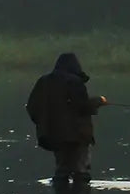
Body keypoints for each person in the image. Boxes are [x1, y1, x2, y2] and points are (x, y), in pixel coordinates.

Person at [26, 52, 109, 183]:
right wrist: (99, 101)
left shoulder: (43, 81)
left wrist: (42, 124)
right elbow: (82, 106)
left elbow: (32, 107)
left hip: (54, 135)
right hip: (78, 135)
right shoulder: (74, 81)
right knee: (81, 171)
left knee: (61, 170)